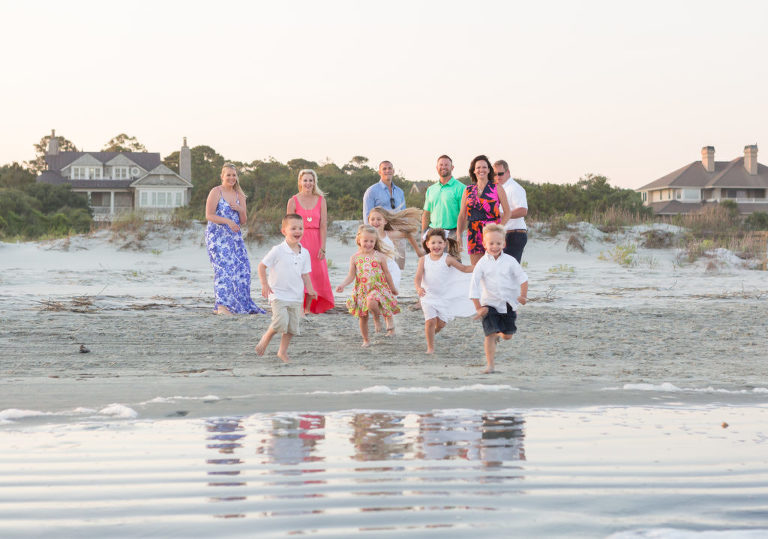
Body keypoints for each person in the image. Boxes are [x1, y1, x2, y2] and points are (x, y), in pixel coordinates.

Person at [204, 163, 265, 315]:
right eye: (228, 175)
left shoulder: (240, 195)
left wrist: (240, 210)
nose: (231, 178)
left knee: (242, 269)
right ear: (222, 176)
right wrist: (228, 221)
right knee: (224, 270)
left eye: (234, 175)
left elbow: (243, 220)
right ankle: (222, 307)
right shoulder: (216, 191)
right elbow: (209, 215)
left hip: (234, 238)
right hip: (217, 237)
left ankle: (237, 304)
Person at [255, 214, 316, 363]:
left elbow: (305, 274)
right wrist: (264, 284)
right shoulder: (278, 250)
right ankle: (267, 336)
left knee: (292, 328)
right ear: (284, 231)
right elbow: (262, 266)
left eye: (300, 228)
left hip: (296, 296)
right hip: (278, 294)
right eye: (293, 228)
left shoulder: (305, 253)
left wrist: (311, 289)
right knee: (280, 321)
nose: (298, 231)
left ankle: (282, 352)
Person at [469, 224, 528, 374]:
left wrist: (523, 295)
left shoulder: (510, 261)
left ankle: (499, 333)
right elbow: (473, 286)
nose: (494, 247)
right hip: (489, 304)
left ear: (504, 244)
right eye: (491, 243)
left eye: (498, 243)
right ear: (484, 244)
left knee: (507, 335)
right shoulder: (481, 263)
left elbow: (523, 278)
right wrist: (479, 308)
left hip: (508, 303)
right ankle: (490, 366)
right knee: (489, 334)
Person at [336, 224, 400, 347]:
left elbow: (387, 274)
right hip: (362, 290)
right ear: (359, 240)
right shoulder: (355, 258)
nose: (369, 243)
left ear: (375, 242)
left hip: (378, 288)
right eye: (366, 241)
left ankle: (377, 318)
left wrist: (392, 288)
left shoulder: (380, 256)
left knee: (371, 301)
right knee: (363, 317)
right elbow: (351, 275)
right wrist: (342, 285)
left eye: (372, 241)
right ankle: (366, 339)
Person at [414, 228, 475, 354]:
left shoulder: (448, 259)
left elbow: (464, 269)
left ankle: (432, 332)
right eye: (433, 243)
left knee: (440, 324)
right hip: (427, 296)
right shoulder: (423, 260)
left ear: (445, 244)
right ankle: (430, 348)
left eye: (440, 243)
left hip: (444, 297)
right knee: (430, 321)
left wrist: (480, 266)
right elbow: (418, 277)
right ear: (427, 244)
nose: (436, 246)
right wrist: (418, 288)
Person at [367, 206, 423, 335]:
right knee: (374, 300)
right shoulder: (368, 236)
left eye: (379, 219)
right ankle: (377, 319)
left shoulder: (389, 234)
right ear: (368, 220)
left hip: (391, 270)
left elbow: (407, 234)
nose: (376, 222)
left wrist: (418, 251)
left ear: (385, 221)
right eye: (373, 219)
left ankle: (390, 325)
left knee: (387, 296)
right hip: (374, 272)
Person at [286, 169, 334, 314]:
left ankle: (310, 308)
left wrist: (323, 247)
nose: (308, 183)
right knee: (299, 273)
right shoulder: (293, 200)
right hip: (299, 240)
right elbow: (289, 225)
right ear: (300, 182)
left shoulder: (321, 200)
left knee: (316, 274)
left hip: (315, 241)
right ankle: (299, 307)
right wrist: (291, 246)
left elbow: (323, 224)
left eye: (310, 180)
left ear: (314, 182)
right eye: (305, 180)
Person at [457, 155, 512, 265]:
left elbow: (507, 212)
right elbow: (462, 215)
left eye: (484, 167)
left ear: (488, 170)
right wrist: (458, 235)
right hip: (473, 232)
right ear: (474, 171)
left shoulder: (497, 187)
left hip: (492, 233)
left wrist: (498, 229)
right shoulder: (468, 190)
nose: (481, 170)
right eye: (478, 167)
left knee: (494, 268)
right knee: (476, 269)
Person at [363, 161, 408, 268]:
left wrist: (404, 230)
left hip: (397, 233)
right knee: (381, 265)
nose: (387, 170)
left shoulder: (399, 192)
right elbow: (367, 215)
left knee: (398, 265)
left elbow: (404, 213)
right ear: (379, 172)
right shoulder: (371, 191)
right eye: (384, 169)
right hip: (380, 232)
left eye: (389, 168)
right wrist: (369, 234)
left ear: (393, 171)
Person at [421, 155, 465, 240]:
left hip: (452, 233)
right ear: (437, 167)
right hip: (432, 232)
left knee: (450, 254)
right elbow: (426, 214)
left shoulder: (461, 188)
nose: (443, 167)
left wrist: (458, 234)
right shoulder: (431, 189)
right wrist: (423, 235)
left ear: (452, 167)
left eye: (446, 165)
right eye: (441, 165)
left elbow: (464, 215)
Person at [494, 159, 528, 263]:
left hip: (514, 234)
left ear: (508, 172)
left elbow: (523, 211)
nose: (498, 177)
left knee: (509, 269)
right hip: (503, 234)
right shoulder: (499, 188)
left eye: (500, 174)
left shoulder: (514, 188)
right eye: (495, 174)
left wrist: (503, 215)